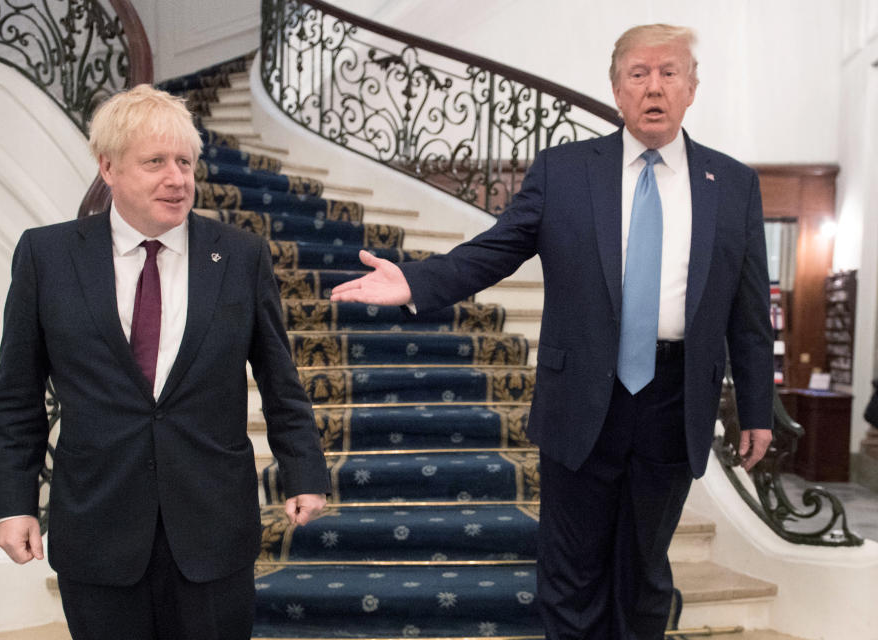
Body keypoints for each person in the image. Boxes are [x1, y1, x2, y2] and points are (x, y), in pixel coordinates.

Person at [331, 24, 773, 640]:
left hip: (677, 400)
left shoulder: (733, 186)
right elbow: (497, 250)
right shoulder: (565, 172)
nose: (654, 87)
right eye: (638, 74)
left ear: (692, 88)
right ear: (616, 91)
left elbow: (750, 314)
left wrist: (757, 408)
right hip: (584, 396)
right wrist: (418, 282)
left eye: (669, 73)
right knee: (571, 572)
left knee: (645, 569)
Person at [0, 84, 330, 640]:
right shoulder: (45, 256)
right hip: (97, 525)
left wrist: (304, 472)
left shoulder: (239, 256)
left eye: (185, 162)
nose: (177, 178)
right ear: (108, 167)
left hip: (212, 526)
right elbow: (16, 396)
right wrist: (12, 503)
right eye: (155, 162)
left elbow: (279, 380)